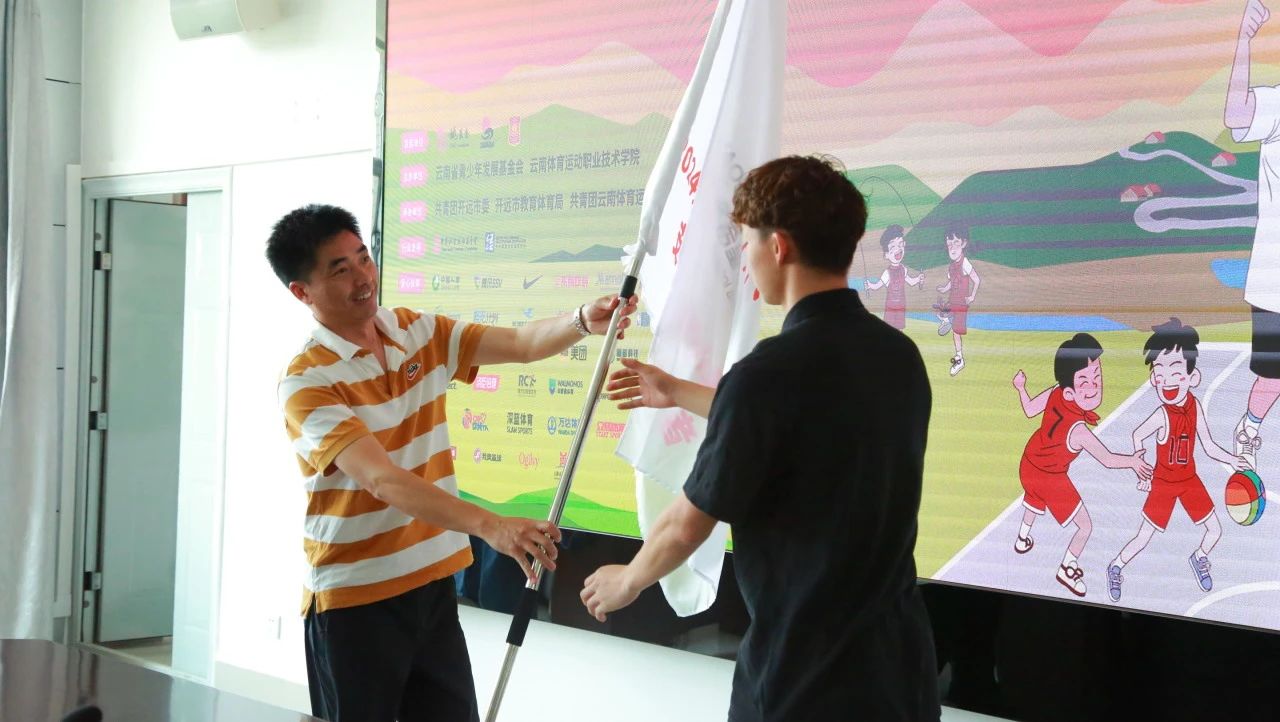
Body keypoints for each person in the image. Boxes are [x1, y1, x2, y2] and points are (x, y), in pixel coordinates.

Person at [581, 156, 940, 721]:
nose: (745, 259)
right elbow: (806, 422)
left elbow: (686, 524)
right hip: (901, 675)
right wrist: (676, 390)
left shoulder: (768, 374)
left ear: (778, 247)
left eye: (747, 242)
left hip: (804, 681)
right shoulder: (899, 357)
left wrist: (626, 580)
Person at [267, 204, 636, 722]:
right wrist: (491, 526)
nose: (363, 278)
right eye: (339, 269)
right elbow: (382, 479)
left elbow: (520, 344)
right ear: (301, 292)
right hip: (355, 600)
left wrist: (581, 321)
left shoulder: (416, 331)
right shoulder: (307, 381)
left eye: (364, 258)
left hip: (432, 583)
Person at [1106, 318, 1250, 602]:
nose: (1166, 379)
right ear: (1153, 379)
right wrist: (1142, 471)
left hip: (1189, 480)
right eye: (1159, 371)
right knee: (1144, 536)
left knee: (1215, 530)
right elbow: (1137, 435)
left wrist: (1233, 460)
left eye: (1175, 370)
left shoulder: (1194, 405)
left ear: (1192, 377)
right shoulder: (1162, 415)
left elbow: (1208, 446)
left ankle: (1199, 557)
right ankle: (1116, 567)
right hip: (1163, 483)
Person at [1010, 334, 1151, 598]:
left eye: (1097, 377)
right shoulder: (1078, 431)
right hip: (1050, 477)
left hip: (1028, 462)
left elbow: (1029, 410)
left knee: (1033, 497)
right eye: (1085, 381)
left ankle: (1022, 538)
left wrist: (1021, 388)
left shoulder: (1056, 391)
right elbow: (1107, 459)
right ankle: (1067, 568)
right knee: (1085, 526)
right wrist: (1133, 461)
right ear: (1070, 391)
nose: (1094, 386)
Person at [1225, 0, 1280, 472]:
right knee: (1272, 376)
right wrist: (1243, 39)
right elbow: (1236, 115)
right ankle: (1248, 428)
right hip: (1274, 281)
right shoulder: (1279, 104)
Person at [933, 223, 980, 377]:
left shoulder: (964, 263)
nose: (952, 248)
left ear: (964, 243)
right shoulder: (951, 266)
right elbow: (951, 282)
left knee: (956, 332)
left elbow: (976, 279)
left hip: (961, 304)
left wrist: (972, 296)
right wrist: (944, 288)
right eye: (949, 244)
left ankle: (959, 358)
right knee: (939, 309)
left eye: (956, 243)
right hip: (952, 301)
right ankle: (946, 320)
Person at [865, 224, 925, 330]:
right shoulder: (887, 272)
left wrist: (918, 279)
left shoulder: (903, 269)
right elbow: (878, 285)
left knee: (900, 330)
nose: (898, 250)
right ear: (886, 254)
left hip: (901, 307)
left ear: (904, 245)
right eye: (893, 247)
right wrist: (870, 285)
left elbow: (910, 282)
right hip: (890, 308)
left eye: (900, 244)